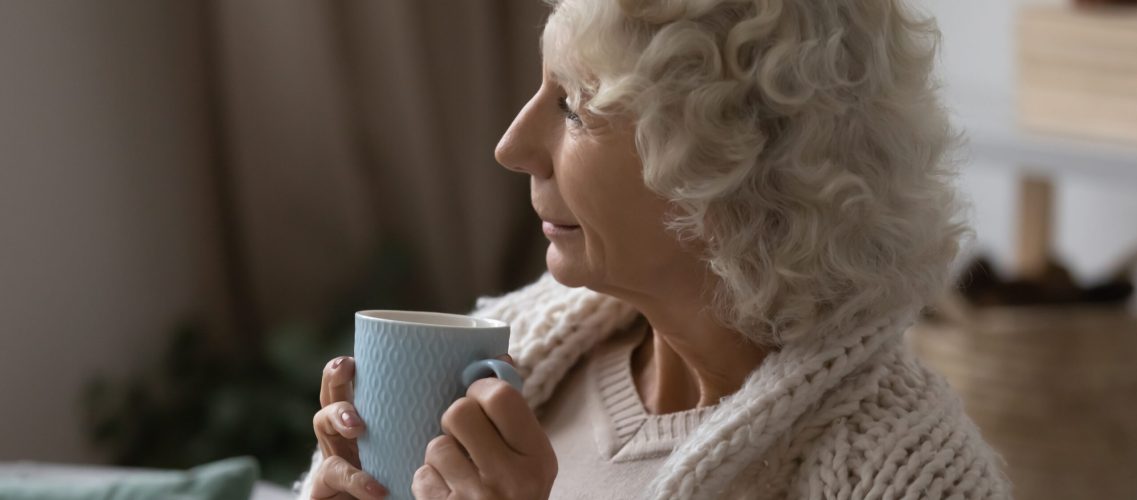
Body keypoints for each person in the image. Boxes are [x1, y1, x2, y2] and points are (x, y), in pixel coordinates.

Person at [297, 0, 1012, 498]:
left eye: (573, 105)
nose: (512, 147)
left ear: (730, 156)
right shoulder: (531, 340)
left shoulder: (907, 475)